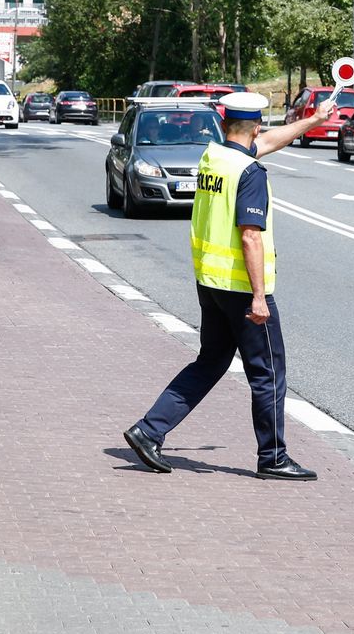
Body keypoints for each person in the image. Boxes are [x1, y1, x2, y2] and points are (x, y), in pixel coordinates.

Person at [124, 91, 338, 480]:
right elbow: (250, 236)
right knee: (269, 372)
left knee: (210, 362)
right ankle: (273, 457)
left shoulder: (214, 157)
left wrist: (316, 119)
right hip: (242, 289)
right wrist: (259, 297)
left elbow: (272, 141)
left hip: (211, 284)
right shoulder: (250, 172)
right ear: (255, 127)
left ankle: (148, 430)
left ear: (225, 125)